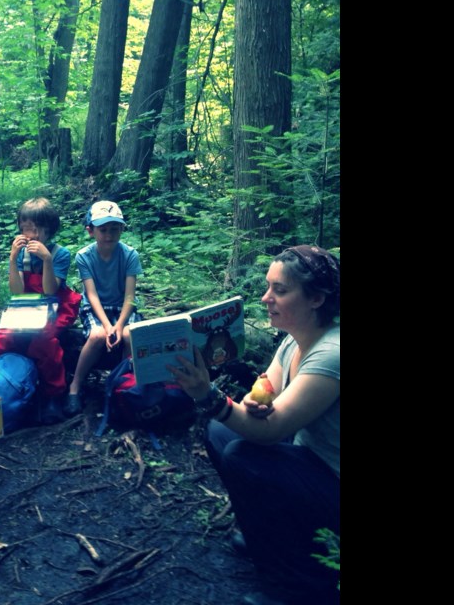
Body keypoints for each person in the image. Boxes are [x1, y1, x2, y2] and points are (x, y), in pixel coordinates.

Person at [168, 245, 340, 605]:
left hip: (332, 479)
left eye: (280, 290)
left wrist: (208, 396)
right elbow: (263, 394)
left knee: (243, 455)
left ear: (316, 299)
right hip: (310, 462)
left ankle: (299, 588)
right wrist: (252, 403)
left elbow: (270, 431)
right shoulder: (293, 340)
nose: (266, 298)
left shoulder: (332, 354)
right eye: (268, 287)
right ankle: (268, 533)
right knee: (220, 432)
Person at [0, 197, 82, 424]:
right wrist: (13, 259)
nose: (30, 235)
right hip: (27, 304)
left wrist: (46, 259)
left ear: (49, 229)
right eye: (25, 229)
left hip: (55, 304)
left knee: (44, 341)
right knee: (4, 337)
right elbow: (16, 291)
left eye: (36, 230)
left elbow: (50, 289)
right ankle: (5, 388)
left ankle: (53, 394)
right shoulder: (21, 253)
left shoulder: (60, 253)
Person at [66, 201, 144, 415]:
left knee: (130, 335)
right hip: (96, 308)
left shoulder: (129, 255)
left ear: (121, 229)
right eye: (103, 229)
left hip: (123, 307)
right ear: (91, 231)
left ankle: (124, 383)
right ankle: (75, 386)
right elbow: (91, 294)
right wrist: (109, 326)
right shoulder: (84, 256)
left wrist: (119, 325)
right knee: (97, 335)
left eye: (114, 229)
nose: (109, 235)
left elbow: (130, 295)